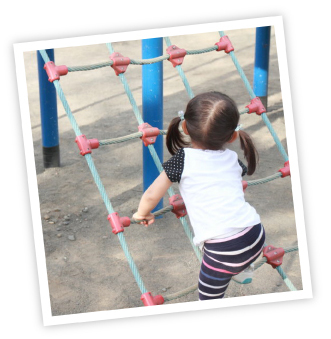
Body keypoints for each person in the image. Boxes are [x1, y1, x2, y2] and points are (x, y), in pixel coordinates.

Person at [132, 91, 265, 300]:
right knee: (239, 252)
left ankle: (235, 268)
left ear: (184, 128)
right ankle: (242, 267)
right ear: (233, 136)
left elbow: (151, 194)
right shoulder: (233, 158)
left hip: (222, 250)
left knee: (208, 301)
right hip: (255, 234)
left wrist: (142, 213)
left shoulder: (183, 159)